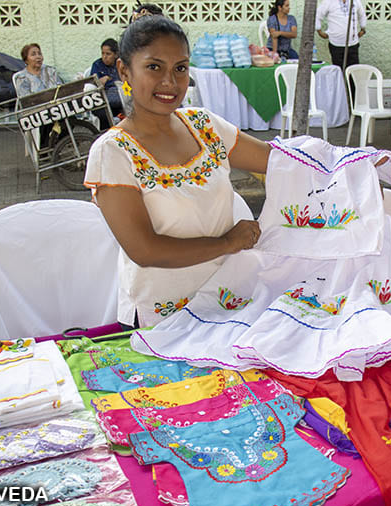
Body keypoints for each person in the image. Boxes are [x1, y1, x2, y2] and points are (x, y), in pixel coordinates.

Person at [83, 16, 270, 330]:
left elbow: (275, 161)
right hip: (162, 320)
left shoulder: (205, 126)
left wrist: (348, 164)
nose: (170, 82)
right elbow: (144, 250)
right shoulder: (113, 151)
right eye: (154, 67)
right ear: (124, 71)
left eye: (180, 68)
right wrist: (228, 242)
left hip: (228, 306)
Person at [12, 43, 64, 146]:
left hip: (55, 107)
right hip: (35, 110)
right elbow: (26, 99)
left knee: (70, 117)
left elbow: (60, 87)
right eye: (33, 54)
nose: (38, 57)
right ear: (26, 60)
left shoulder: (50, 71)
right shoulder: (22, 78)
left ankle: (59, 144)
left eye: (39, 54)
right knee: (46, 119)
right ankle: (46, 148)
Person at [315, 0, 367, 71]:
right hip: (336, 44)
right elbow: (318, 15)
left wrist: (363, 29)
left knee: (353, 71)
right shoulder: (329, 2)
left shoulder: (355, 1)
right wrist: (319, 31)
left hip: (353, 43)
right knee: (339, 71)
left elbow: (362, 15)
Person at [90, 38, 124, 129]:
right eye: (103, 53)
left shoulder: (121, 64)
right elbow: (93, 84)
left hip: (121, 98)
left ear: (116, 54)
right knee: (102, 113)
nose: (104, 57)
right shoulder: (97, 65)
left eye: (108, 54)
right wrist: (102, 81)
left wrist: (109, 79)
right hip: (103, 100)